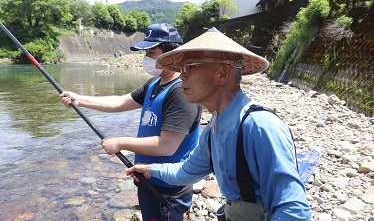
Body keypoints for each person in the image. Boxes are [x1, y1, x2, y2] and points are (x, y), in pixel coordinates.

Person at [126, 27, 312, 220]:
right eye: (182, 68)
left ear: (222, 74)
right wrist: (150, 170)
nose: (182, 75)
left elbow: (294, 211)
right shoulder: (215, 126)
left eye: (190, 66)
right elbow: (186, 171)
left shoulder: (259, 126)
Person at [60, 23, 202, 221]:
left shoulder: (180, 92)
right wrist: (80, 100)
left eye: (152, 52)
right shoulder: (155, 83)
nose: (146, 58)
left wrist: (120, 143)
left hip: (168, 190)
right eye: (146, 52)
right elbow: (120, 102)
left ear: (171, 54)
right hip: (147, 181)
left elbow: (167, 146)